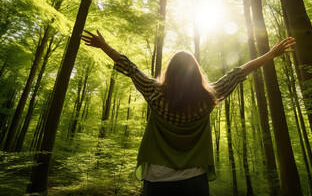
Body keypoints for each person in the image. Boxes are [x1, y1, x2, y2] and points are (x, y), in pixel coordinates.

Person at [80, 30, 295, 196]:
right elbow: (240, 71)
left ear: (170, 71)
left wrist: (104, 46)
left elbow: (130, 68)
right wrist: (271, 54)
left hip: (158, 180)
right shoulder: (208, 98)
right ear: (196, 72)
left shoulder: (154, 93)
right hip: (195, 180)